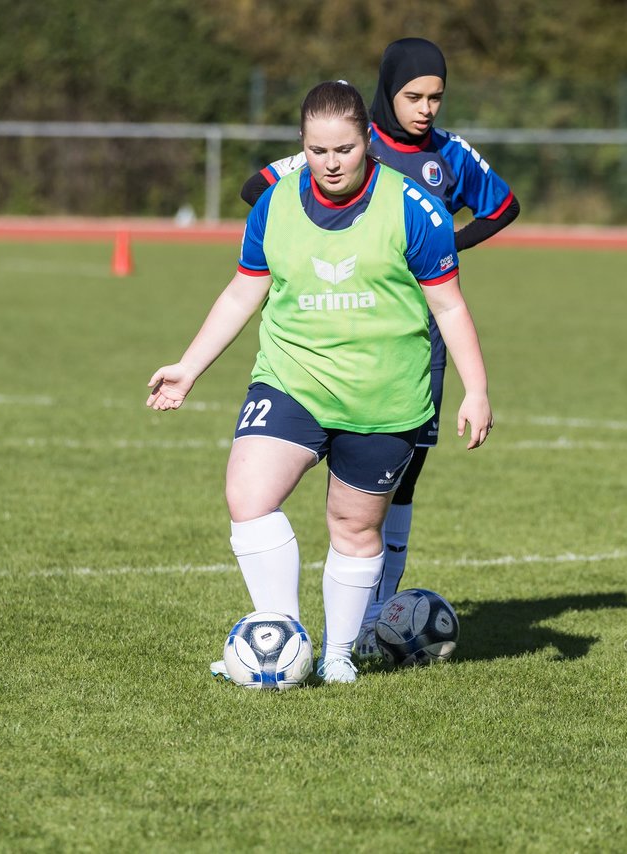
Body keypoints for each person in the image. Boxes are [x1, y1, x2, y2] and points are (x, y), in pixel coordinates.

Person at [148, 80, 493, 685]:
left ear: (367, 143)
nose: (331, 163)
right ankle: (279, 636)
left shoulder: (414, 209)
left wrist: (476, 389)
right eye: (317, 151)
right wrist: (188, 366)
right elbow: (243, 291)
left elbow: (451, 309)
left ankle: (337, 654)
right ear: (302, 147)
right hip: (292, 379)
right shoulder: (274, 203)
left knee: (354, 527)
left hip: (382, 398)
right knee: (248, 499)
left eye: (344, 149)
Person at [240, 38, 518, 655]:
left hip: (416, 343)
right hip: (326, 341)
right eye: (413, 96)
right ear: (384, 98)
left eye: (436, 98)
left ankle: (369, 623)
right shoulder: (348, 143)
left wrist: (442, 248)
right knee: (283, 489)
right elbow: (256, 189)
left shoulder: (449, 155)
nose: (425, 109)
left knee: (399, 484)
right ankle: (322, 626)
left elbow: (504, 206)